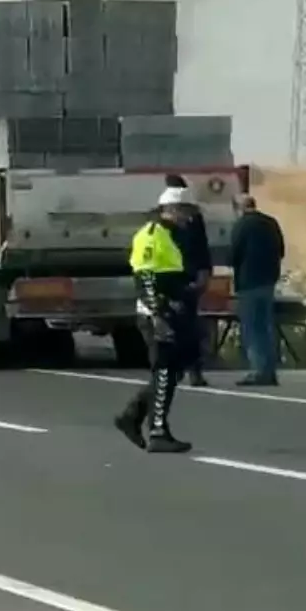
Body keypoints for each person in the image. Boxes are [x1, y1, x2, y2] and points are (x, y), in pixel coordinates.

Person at [114, 185, 195, 454]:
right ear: (168, 210)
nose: (188, 216)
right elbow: (146, 277)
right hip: (157, 313)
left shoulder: (173, 234)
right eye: (184, 210)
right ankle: (157, 431)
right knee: (163, 370)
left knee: (172, 371)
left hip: (172, 309)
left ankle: (132, 417)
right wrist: (157, 314)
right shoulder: (151, 235)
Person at [230, 192, 285, 386]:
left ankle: (258, 371)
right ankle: (269, 370)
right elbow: (281, 250)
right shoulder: (271, 223)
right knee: (267, 327)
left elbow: (233, 254)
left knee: (252, 328)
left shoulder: (241, 226)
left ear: (239, 208)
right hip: (269, 280)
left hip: (248, 282)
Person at [164, 172, 213, 386]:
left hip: (179, 277)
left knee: (179, 327)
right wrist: (204, 271)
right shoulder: (192, 218)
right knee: (187, 326)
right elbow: (202, 247)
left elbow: (199, 246)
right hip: (187, 276)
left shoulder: (169, 222)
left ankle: (186, 369)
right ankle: (191, 369)